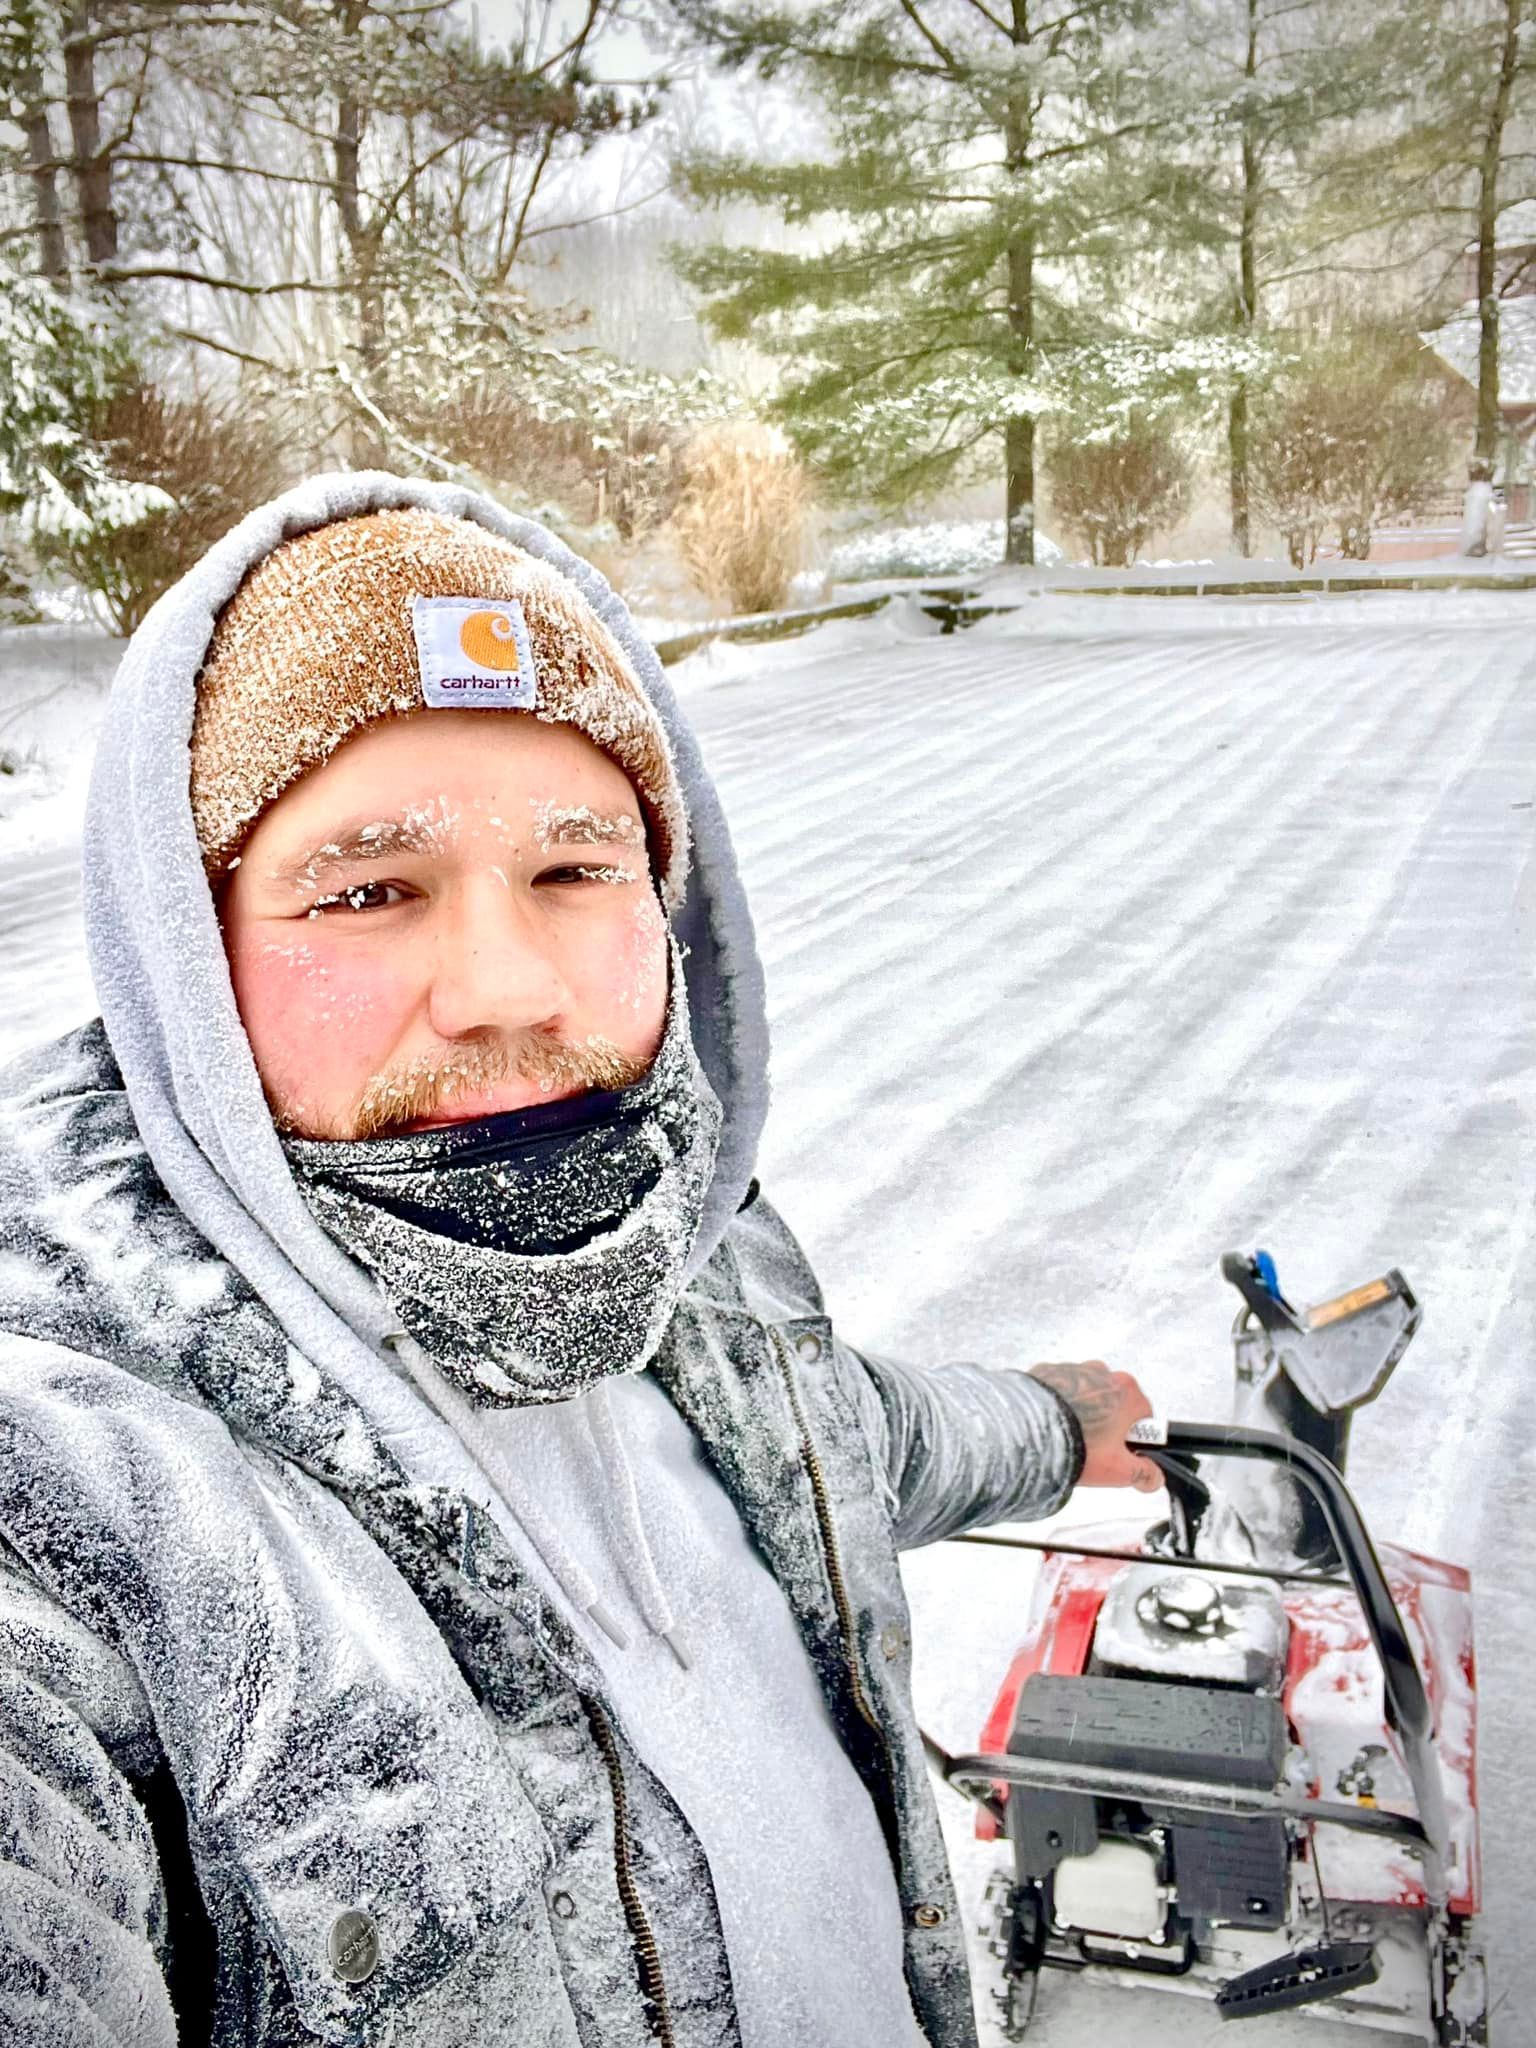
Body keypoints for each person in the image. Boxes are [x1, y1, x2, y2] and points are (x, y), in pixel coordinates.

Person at [0, 474, 1159, 2048]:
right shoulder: (67, 1483)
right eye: (366, 890)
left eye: (574, 867)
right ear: (189, 953)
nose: (506, 986)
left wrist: (1051, 1424)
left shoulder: (673, 1238)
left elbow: (831, 1441)